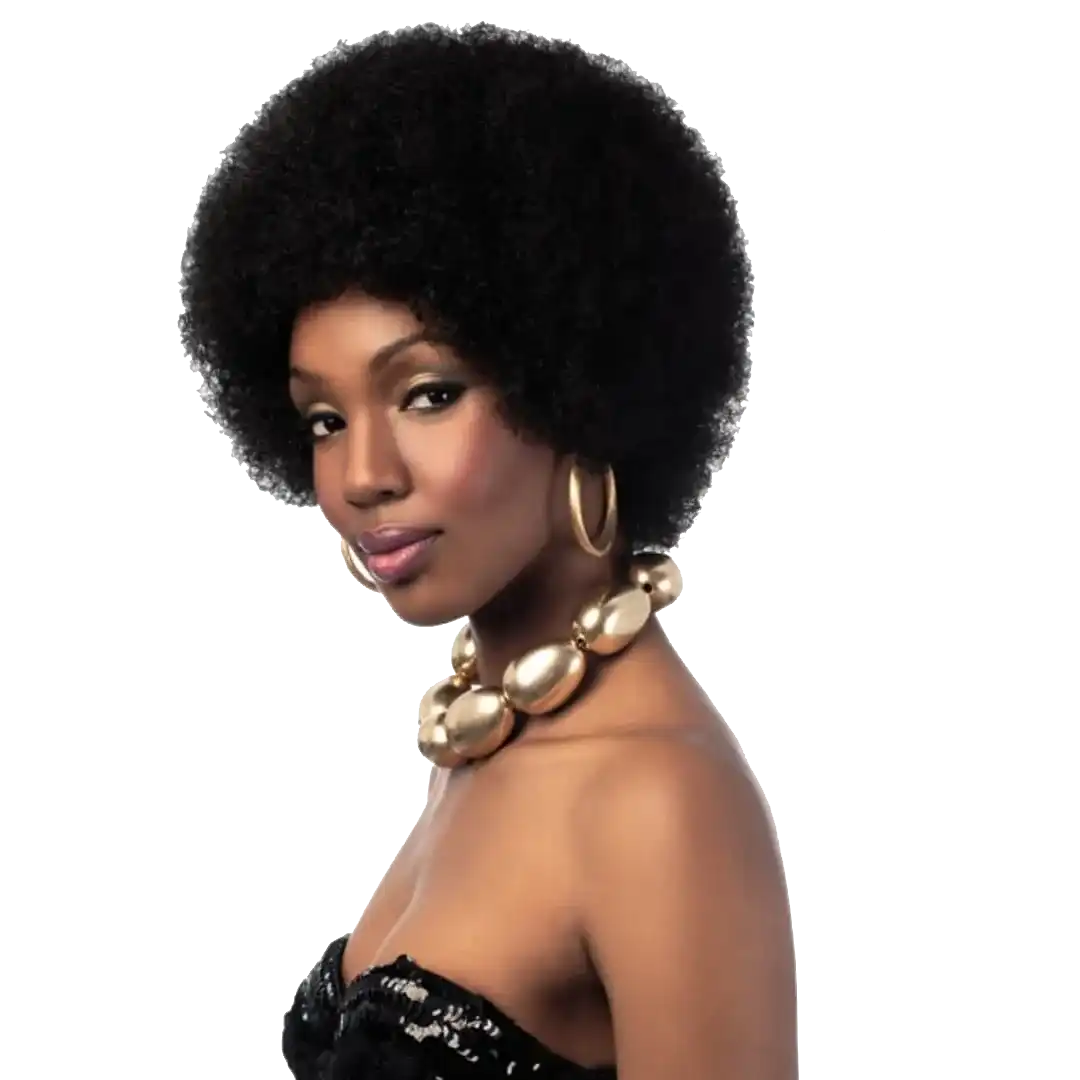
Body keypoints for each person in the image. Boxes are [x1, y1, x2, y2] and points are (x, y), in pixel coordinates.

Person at [181, 25, 795, 1080]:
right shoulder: (491, 743)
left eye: (428, 394)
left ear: (578, 385)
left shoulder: (654, 800)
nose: (362, 474)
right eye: (324, 418)